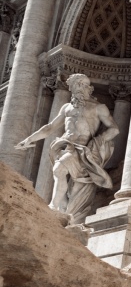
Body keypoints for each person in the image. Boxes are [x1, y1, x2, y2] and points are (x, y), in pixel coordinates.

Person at [15, 73, 119, 225]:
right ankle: (60, 207)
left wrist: (97, 141)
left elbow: (114, 129)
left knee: (60, 170)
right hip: (66, 146)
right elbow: (49, 127)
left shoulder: (98, 107)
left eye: (85, 85)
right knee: (62, 174)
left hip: (84, 150)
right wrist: (29, 139)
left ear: (89, 88)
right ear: (72, 87)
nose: (82, 88)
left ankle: (54, 206)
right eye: (78, 85)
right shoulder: (67, 108)